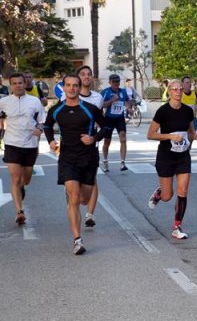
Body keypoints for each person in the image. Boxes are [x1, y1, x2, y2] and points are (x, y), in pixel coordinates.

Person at [43, 74, 110, 255]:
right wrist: (51, 141)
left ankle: (79, 213)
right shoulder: (56, 110)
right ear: (63, 88)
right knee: (73, 197)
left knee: (84, 199)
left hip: (88, 158)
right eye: (68, 85)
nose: (72, 89)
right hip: (67, 158)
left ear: (79, 88)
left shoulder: (89, 109)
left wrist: (93, 138)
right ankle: (77, 240)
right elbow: (47, 126)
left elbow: (106, 127)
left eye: (75, 86)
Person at [147, 79, 197, 239]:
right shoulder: (162, 111)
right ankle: (159, 193)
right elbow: (150, 134)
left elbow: (190, 132)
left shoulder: (187, 111)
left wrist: (196, 136)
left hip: (183, 156)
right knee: (167, 197)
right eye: (175, 89)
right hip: (166, 156)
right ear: (169, 92)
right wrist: (170, 136)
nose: (178, 92)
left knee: (183, 191)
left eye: (180, 89)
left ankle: (176, 227)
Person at [0, 73, 46, 225]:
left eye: (20, 83)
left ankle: (21, 189)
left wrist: (39, 129)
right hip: (12, 143)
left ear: (24, 83)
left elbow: (42, 121)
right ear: (10, 85)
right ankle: (19, 211)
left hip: (30, 144)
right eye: (14, 83)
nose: (18, 85)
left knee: (25, 180)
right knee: (15, 177)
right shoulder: (4, 102)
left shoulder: (34, 101)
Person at [75, 66, 104, 227]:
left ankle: (89, 215)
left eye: (89, 74)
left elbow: (101, 122)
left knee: (92, 179)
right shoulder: (70, 95)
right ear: (78, 77)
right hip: (72, 147)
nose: (86, 77)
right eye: (83, 74)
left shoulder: (98, 98)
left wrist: (95, 137)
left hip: (91, 146)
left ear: (92, 78)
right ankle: (75, 210)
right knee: (76, 183)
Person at [100, 73, 131, 172]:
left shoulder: (123, 91)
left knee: (123, 138)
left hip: (119, 118)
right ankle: (105, 161)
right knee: (107, 142)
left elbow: (126, 101)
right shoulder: (106, 92)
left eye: (118, 81)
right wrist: (111, 101)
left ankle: (122, 162)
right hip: (109, 119)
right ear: (110, 82)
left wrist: (129, 108)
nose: (116, 83)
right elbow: (101, 105)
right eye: (114, 82)